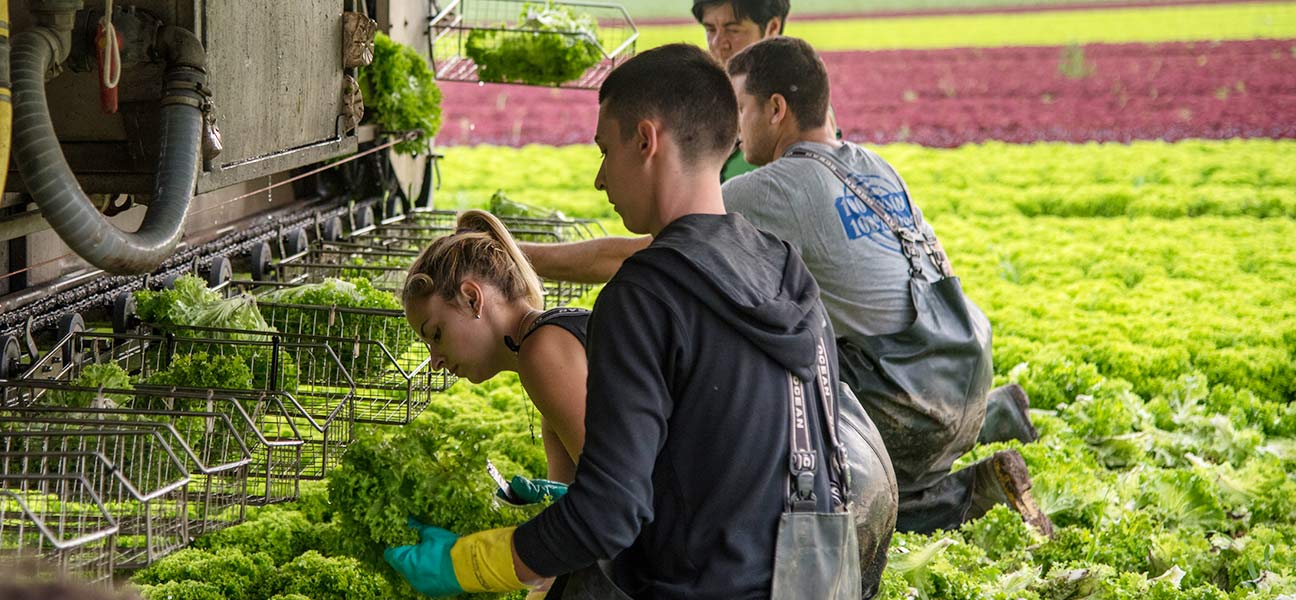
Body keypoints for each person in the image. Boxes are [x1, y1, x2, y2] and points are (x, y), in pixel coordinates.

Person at [384, 43, 897, 599]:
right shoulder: (782, 265)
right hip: (820, 578)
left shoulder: (643, 296)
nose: (601, 178)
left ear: (646, 141)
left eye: (605, 150)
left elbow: (610, 515)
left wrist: (466, 563)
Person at [519, 36, 1050, 537]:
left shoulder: (772, 188)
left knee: (813, 472)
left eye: (741, 109)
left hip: (908, 396)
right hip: (966, 364)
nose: (733, 128)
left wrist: (521, 258)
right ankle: (997, 415)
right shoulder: (873, 163)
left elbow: (640, 257)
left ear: (775, 110)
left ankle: (970, 495)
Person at [402, 209, 589, 496]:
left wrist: (508, 541)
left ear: (472, 298)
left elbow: (614, 500)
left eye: (436, 334)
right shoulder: (547, 342)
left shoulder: (543, 352)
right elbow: (576, 501)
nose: (435, 362)